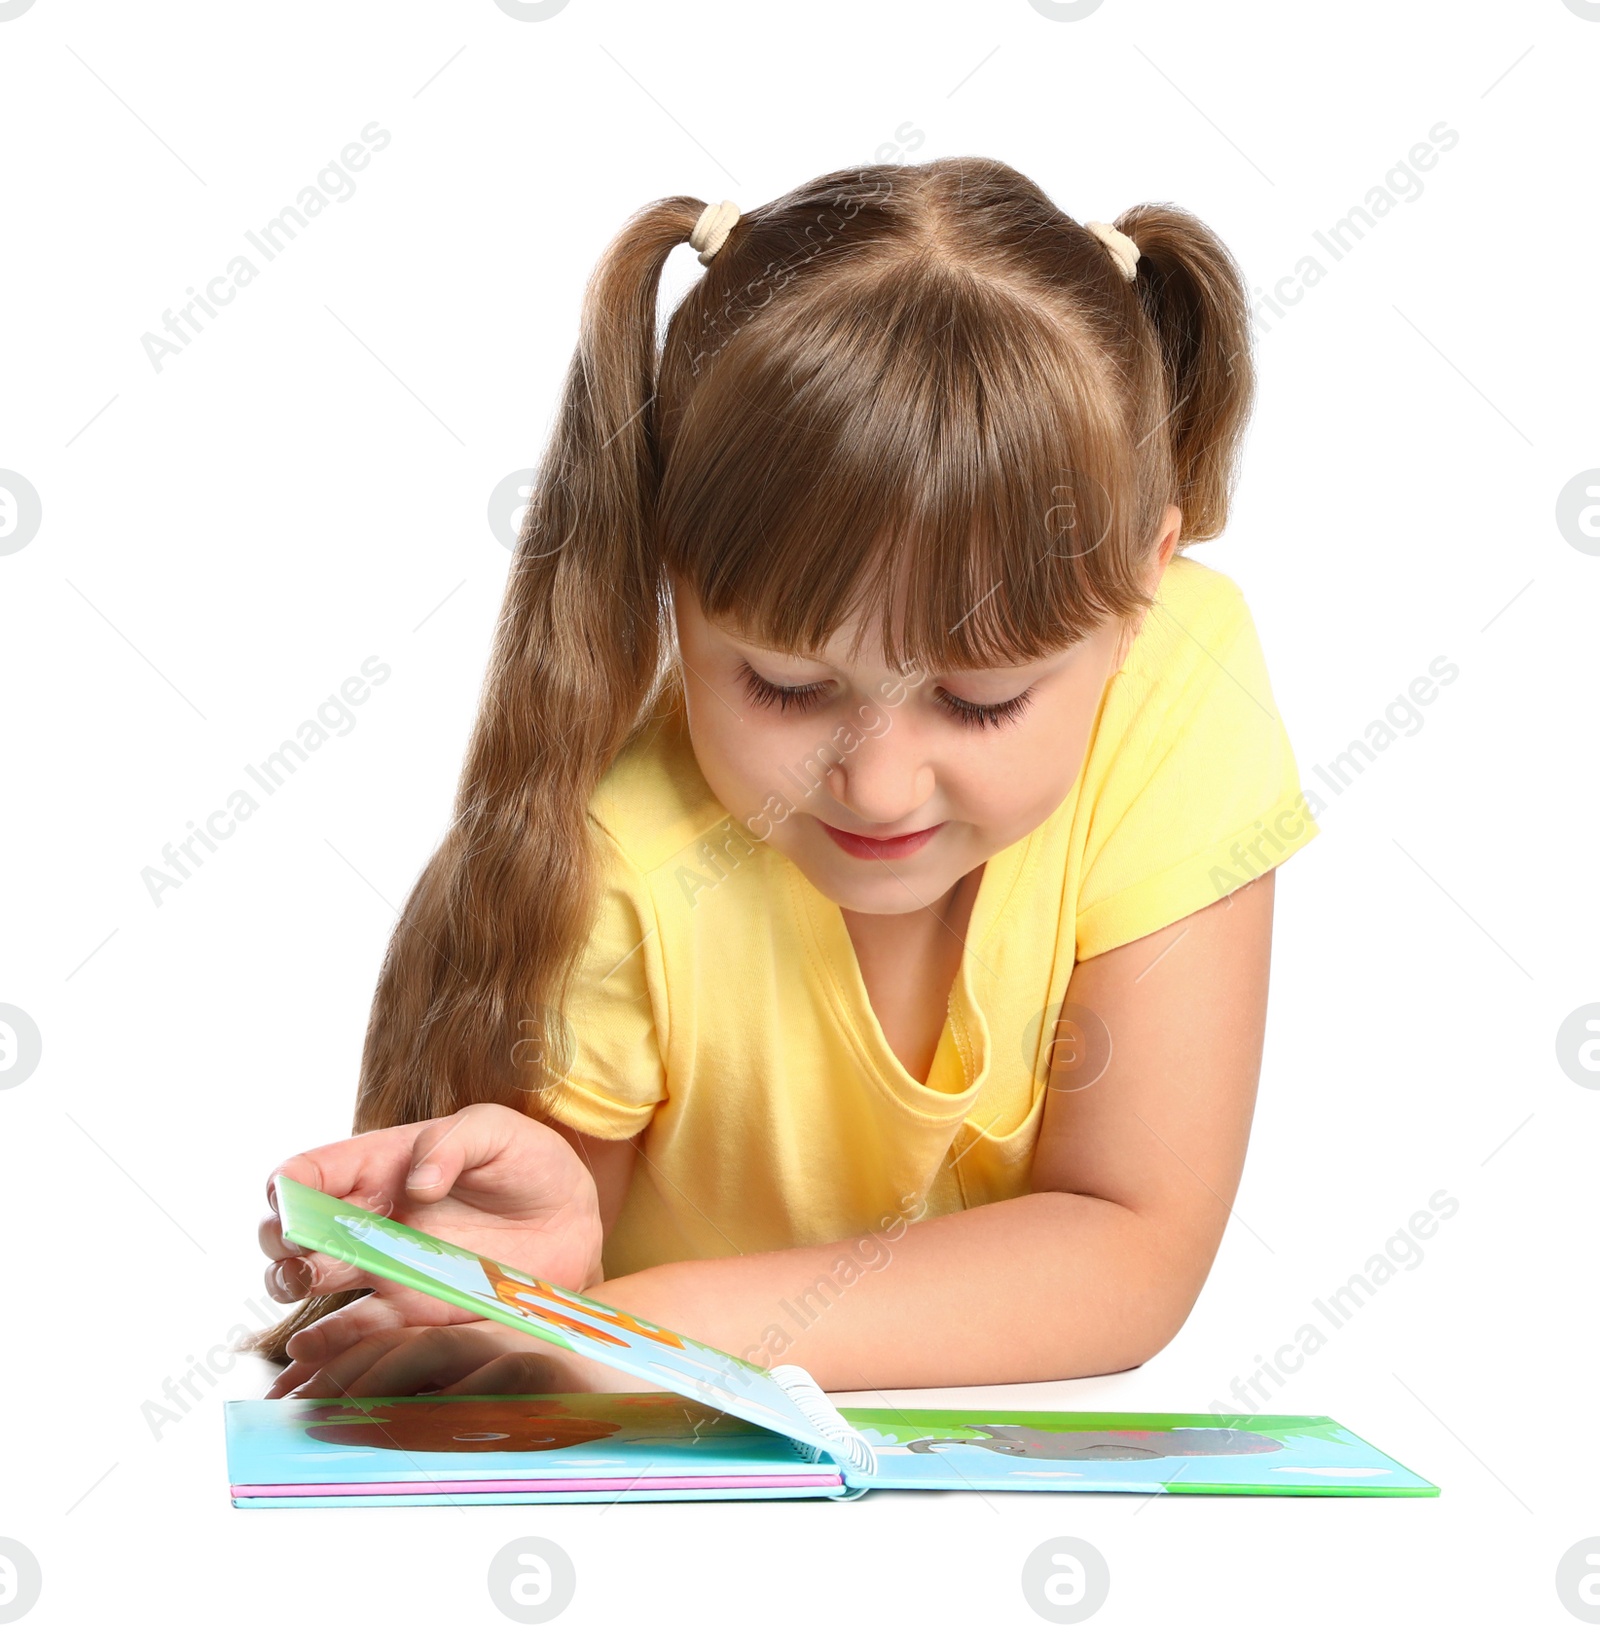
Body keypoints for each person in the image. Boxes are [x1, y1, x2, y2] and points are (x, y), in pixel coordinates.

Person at [255, 157, 1317, 1400]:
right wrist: (498, 1280)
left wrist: (625, 1331)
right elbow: (511, 1324)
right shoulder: (622, 870)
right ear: (672, 581)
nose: (875, 785)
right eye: (786, 688)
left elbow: (1132, 1248)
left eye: (979, 701)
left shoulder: (1179, 675)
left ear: (1141, 589)